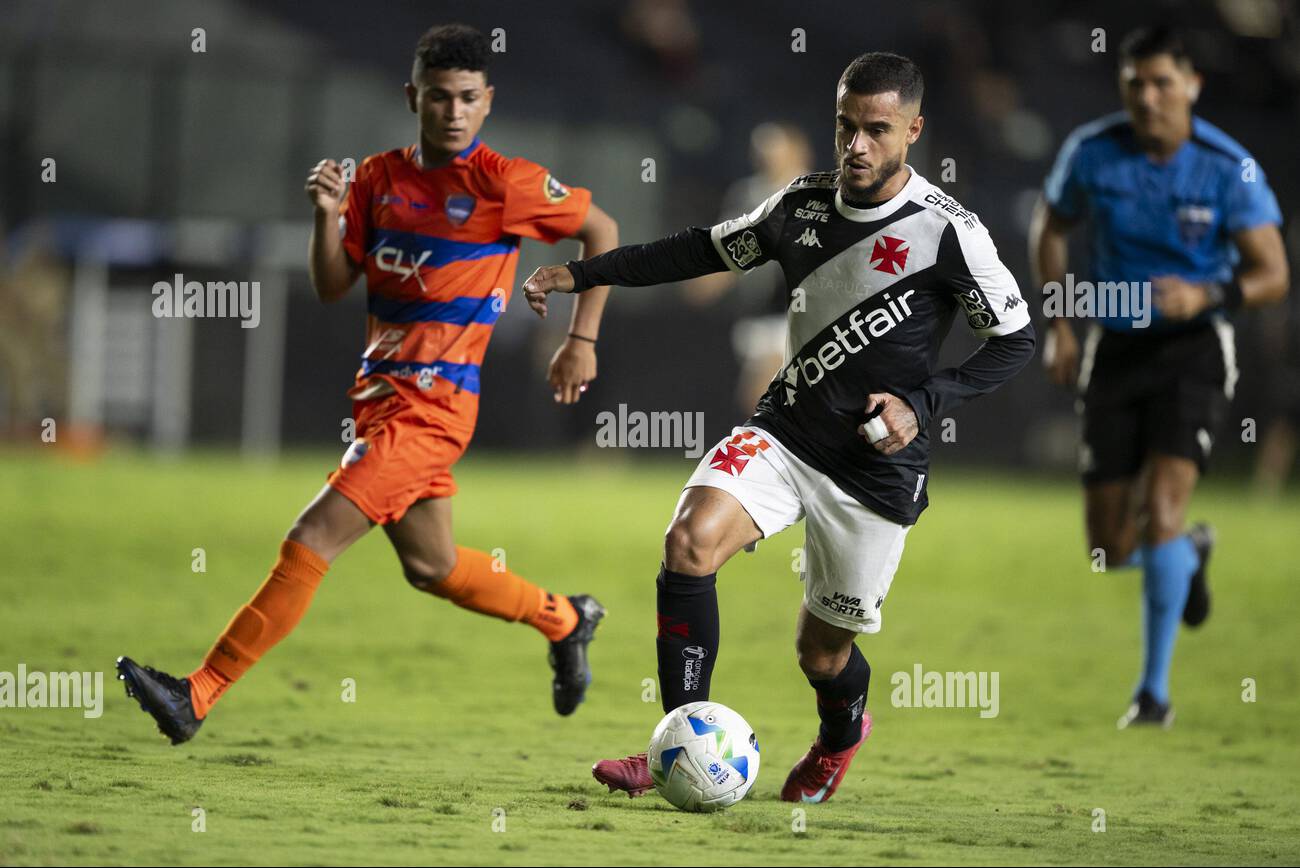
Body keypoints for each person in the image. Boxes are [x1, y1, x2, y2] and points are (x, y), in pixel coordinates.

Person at [525, 52, 1035, 802]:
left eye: (877, 130)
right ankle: (678, 743)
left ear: (914, 131)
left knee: (822, 655)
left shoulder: (950, 232)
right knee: (688, 542)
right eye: (845, 127)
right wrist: (586, 273)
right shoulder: (799, 205)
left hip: (875, 467)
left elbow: (1016, 341)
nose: (856, 145)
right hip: (786, 429)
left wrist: (920, 403)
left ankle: (838, 739)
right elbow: (699, 249)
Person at [116, 23, 620, 744]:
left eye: (468, 99)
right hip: (380, 399)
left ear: (487, 102)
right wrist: (326, 218)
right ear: (412, 96)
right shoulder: (377, 179)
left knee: (311, 536)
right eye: (439, 97)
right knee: (433, 566)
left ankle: (198, 693)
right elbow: (331, 285)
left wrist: (581, 338)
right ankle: (565, 619)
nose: (453, 112)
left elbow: (600, 229)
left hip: (435, 408)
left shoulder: (504, 183)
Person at [1030, 26, 1289, 729]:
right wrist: (1057, 323)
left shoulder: (1227, 167)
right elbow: (1049, 226)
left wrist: (1208, 295)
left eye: (1162, 83)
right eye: (1135, 83)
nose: (1147, 97)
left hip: (1194, 350)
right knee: (1107, 548)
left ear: (1193, 85)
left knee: (1163, 512)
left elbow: (1273, 273)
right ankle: (1188, 554)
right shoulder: (1092, 151)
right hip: (1113, 348)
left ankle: (1154, 695)